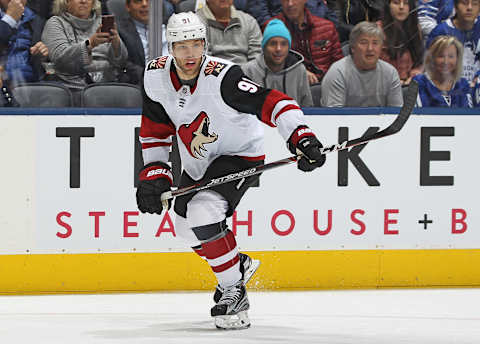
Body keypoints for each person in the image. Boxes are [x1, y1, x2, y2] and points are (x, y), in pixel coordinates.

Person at [136, 11, 326, 330]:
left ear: (204, 44)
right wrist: (154, 173)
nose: (190, 54)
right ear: (170, 47)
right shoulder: (154, 76)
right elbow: (155, 131)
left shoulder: (222, 76)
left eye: (196, 45)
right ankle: (237, 264)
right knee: (184, 227)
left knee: (203, 211)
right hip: (199, 162)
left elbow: (273, 102)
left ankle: (233, 290)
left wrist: (301, 135)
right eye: (182, 46)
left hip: (240, 155)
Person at [41, 0, 128, 104]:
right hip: (72, 90)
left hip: (107, 87)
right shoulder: (55, 23)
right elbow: (60, 58)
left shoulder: (102, 22)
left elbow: (121, 62)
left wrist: (116, 43)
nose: (83, 1)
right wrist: (90, 44)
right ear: (66, 2)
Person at [321, 21, 403, 107]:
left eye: (375, 43)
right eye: (364, 42)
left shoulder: (390, 73)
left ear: (381, 47)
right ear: (353, 47)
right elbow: (334, 116)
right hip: (344, 120)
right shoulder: (338, 73)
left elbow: (396, 113)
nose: (370, 48)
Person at [267, 0, 343, 85]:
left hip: (326, 85)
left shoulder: (326, 27)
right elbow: (270, 65)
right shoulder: (271, 28)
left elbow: (339, 64)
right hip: (290, 86)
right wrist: (299, 72)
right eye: (285, 0)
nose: (290, 4)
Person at [242, 19, 313, 107]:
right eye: (273, 44)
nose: (278, 49)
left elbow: (307, 106)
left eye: (283, 44)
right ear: (264, 47)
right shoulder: (248, 71)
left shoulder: (299, 70)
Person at [427, 0, 480, 85]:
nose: (469, 8)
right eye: (464, 3)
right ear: (455, 6)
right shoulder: (440, 32)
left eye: (475, 4)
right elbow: (430, 67)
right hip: (450, 89)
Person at [413, 35, 473, 107]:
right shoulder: (420, 82)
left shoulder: (462, 84)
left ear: (457, 59)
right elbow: (420, 114)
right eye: (441, 56)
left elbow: (468, 115)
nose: (446, 61)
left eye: (451, 56)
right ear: (431, 58)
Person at [196, 0, 262, 64]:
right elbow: (203, 60)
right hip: (213, 72)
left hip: (245, 72)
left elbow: (257, 57)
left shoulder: (249, 21)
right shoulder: (196, 23)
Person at [0, 0, 48, 86]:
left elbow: (43, 61)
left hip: (30, 84)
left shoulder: (37, 20)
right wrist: (10, 19)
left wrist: (40, 53)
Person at [377, 0, 424, 86]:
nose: (401, 7)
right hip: (384, 85)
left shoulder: (415, 28)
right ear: (388, 6)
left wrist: (415, 74)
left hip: (409, 84)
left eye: (406, 3)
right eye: (396, 2)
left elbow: (419, 61)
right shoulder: (377, 30)